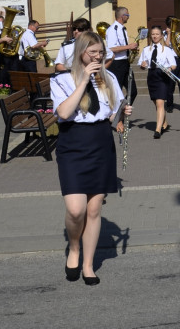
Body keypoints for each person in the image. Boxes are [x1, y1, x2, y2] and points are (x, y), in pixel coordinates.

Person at [50, 31, 132, 286]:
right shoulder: (62, 79)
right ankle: (74, 248)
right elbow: (63, 112)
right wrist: (84, 80)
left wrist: (122, 113)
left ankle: (88, 264)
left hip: (100, 143)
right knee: (76, 210)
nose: (98, 56)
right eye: (93, 52)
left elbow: (111, 115)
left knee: (94, 209)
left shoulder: (110, 79)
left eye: (101, 52)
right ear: (81, 53)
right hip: (73, 143)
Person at [138, 26, 177, 139]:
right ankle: (164, 123)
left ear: (161, 36)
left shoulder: (167, 49)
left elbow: (174, 65)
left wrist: (168, 69)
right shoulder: (146, 49)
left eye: (157, 34)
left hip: (163, 76)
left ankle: (158, 129)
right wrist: (142, 65)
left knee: (160, 103)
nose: (155, 36)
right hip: (152, 76)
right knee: (156, 103)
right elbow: (142, 64)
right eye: (153, 34)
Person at [106, 7, 140, 104]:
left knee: (133, 91)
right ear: (123, 16)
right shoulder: (113, 29)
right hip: (116, 64)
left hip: (125, 62)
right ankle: (117, 116)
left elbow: (123, 46)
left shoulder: (123, 29)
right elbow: (111, 48)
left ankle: (123, 113)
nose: (128, 18)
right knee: (117, 93)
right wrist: (128, 46)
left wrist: (131, 49)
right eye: (128, 15)